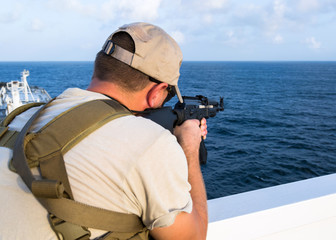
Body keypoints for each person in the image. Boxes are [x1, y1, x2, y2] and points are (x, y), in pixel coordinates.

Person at [0, 22, 208, 239]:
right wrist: (189, 147)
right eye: (168, 95)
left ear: (99, 66)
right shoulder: (152, 144)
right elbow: (193, 236)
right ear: (156, 92)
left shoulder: (23, 116)